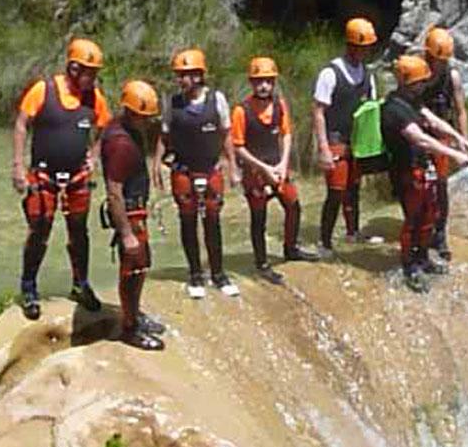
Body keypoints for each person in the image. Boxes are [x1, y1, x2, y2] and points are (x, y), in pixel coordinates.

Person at [10, 38, 110, 320]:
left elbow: (104, 127)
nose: (94, 78)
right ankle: (29, 288)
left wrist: (94, 155)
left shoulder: (95, 98)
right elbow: (21, 124)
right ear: (74, 68)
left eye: (96, 73)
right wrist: (18, 166)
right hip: (44, 175)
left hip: (77, 177)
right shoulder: (44, 90)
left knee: (79, 232)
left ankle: (81, 285)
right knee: (39, 230)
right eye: (90, 72)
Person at [382, 55, 468, 293]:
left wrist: (457, 136)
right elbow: (420, 138)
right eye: (419, 83)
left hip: (422, 167)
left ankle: (422, 257)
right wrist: (453, 154)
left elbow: (432, 120)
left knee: (429, 215)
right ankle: (409, 265)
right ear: (407, 83)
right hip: (405, 170)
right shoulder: (393, 109)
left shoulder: (413, 102)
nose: (423, 86)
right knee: (413, 219)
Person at [156, 48, 240, 299]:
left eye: (186, 74)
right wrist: (156, 165)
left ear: (199, 75)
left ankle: (218, 274)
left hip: (211, 167)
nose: (181, 79)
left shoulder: (217, 100)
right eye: (179, 75)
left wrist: (233, 166)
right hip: (183, 169)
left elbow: (226, 134)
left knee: (212, 220)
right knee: (188, 220)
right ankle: (195, 274)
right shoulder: (172, 103)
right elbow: (164, 135)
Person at [231, 56, 316, 284]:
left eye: (268, 81)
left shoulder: (279, 104)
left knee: (293, 205)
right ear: (251, 82)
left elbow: (286, 134)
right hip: (255, 172)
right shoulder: (241, 111)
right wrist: (263, 168)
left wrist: (283, 163)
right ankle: (262, 263)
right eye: (259, 81)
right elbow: (238, 147)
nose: (264, 86)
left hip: (277, 166)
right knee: (259, 218)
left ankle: (291, 248)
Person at [102, 80, 168, 350]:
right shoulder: (121, 144)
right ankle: (129, 329)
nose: (148, 122)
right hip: (128, 213)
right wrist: (126, 233)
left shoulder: (126, 130)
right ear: (131, 113)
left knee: (141, 265)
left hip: (135, 209)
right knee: (132, 268)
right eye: (144, 117)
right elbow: (114, 193)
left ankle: (134, 314)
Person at [312, 17, 381, 257]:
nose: (365, 51)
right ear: (350, 44)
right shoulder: (330, 73)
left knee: (354, 188)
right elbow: (318, 111)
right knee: (336, 191)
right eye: (361, 46)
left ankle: (353, 233)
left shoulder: (368, 75)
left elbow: (372, 110)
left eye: (367, 47)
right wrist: (323, 147)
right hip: (335, 138)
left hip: (358, 140)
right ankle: (325, 242)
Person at [420, 26, 468, 263]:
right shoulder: (417, 72)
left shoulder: (452, 77)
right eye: (433, 59)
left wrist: (463, 141)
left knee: (440, 185)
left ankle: (439, 234)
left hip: (442, 136)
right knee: (419, 184)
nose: (437, 65)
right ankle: (420, 230)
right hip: (419, 135)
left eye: (441, 61)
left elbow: (460, 111)